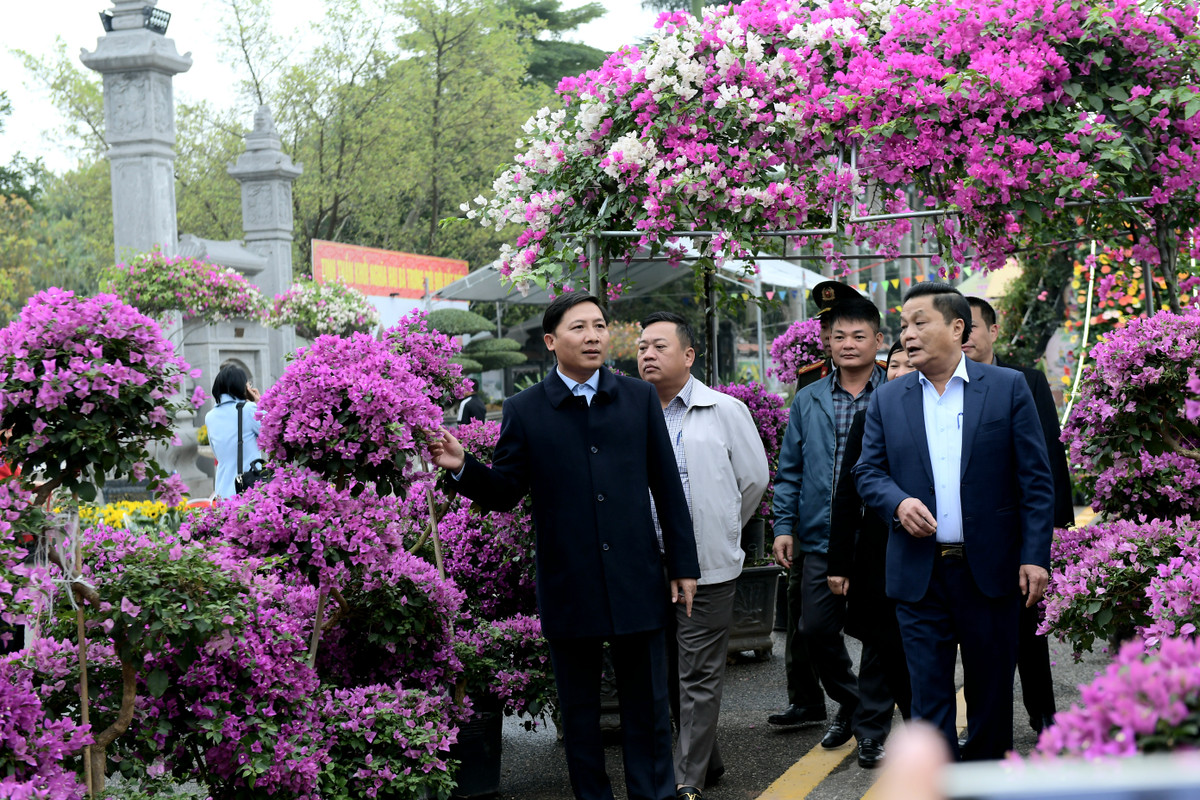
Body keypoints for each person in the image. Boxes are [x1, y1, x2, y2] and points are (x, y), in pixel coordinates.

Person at [428, 292, 700, 800]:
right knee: (579, 715)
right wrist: (463, 465)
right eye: (580, 327)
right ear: (552, 342)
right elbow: (506, 491)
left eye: (599, 325)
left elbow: (667, 486)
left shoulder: (637, 398)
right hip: (568, 582)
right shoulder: (525, 410)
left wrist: (683, 565)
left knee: (648, 709)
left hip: (637, 578)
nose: (594, 335)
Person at [853, 282, 1055, 761]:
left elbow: (1036, 480)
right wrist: (897, 504)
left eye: (920, 322)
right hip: (919, 576)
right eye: (903, 325)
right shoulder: (888, 398)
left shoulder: (1007, 388)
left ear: (957, 327)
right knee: (928, 702)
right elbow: (868, 472)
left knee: (990, 698)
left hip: (990, 571)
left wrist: (1034, 557)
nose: (907, 334)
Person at [637, 311, 769, 799]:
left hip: (708, 567)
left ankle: (685, 780)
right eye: (642, 346)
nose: (647, 354)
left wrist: (720, 529)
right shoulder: (633, 411)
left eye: (659, 346)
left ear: (688, 356)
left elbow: (753, 481)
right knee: (669, 672)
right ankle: (706, 761)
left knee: (698, 672)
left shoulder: (725, 410)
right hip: (648, 566)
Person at [771, 297, 887, 768]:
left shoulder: (896, 392)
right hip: (820, 534)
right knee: (815, 629)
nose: (848, 344)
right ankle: (856, 702)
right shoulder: (809, 397)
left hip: (880, 535)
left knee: (879, 637)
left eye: (859, 336)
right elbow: (790, 470)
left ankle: (871, 730)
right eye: (839, 337)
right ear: (827, 343)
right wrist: (784, 525)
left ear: (878, 342)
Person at [962, 295, 1074, 735]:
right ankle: (984, 722)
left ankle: (1043, 710)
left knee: (1030, 625)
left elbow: (1049, 454)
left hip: (1020, 528)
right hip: (967, 532)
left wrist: (1052, 529)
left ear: (993, 331)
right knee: (975, 636)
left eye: (971, 326)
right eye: (957, 326)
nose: (964, 335)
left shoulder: (1026, 380)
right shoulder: (938, 386)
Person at [827, 341, 915, 752]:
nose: (899, 371)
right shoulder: (870, 417)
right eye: (892, 365)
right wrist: (839, 563)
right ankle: (871, 732)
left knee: (914, 647)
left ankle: (925, 731)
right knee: (880, 644)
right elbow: (847, 494)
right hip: (878, 553)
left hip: (929, 549)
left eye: (908, 363)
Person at [203, 364, 262, 499]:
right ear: (242, 387)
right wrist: (260, 403)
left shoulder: (210, 416)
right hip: (247, 491)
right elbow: (273, 430)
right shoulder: (249, 409)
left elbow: (217, 454)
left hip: (222, 491)